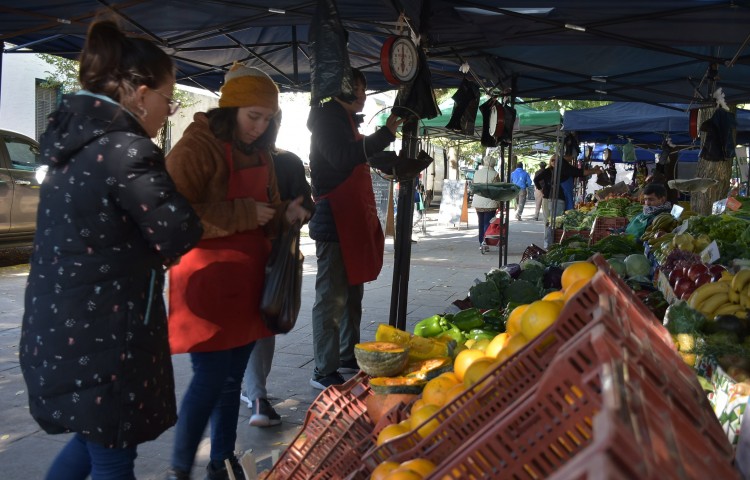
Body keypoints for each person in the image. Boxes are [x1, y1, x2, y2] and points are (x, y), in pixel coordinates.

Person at [19, 18, 203, 480]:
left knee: (93, 440)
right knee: (113, 453)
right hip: (106, 332)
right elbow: (180, 231)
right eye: (168, 97)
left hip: (62, 323)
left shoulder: (73, 142)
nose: (169, 110)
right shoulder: (126, 150)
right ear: (140, 94)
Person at [164, 63, 310, 479]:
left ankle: (221, 461)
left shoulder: (261, 151)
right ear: (231, 109)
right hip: (206, 284)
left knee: (231, 380)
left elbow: (268, 209)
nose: (260, 127)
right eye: (253, 116)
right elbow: (171, 214)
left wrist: (286, 213)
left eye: (268, 119)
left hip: (250, 285)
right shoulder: (196, 146)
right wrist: (244, 213)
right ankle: (179, 468)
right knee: (210, 378)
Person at [307, 68, 403, 390]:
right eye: (358, 89)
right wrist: (384, 134)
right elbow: (341, 158)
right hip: (334, 221)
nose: (363, 96)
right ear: (343, 89)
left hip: (352, 220)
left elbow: (356, 156)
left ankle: (347, 355)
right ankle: (323, 369)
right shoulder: (326, 119)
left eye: (363, 90)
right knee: (330, 298)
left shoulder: (346, 121)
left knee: (351, 294)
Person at [240, 114, 314, 427]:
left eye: (267, 119)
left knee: (259, 323)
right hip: (263, 256)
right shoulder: (281, 160)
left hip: (266, 256)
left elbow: (305, 207)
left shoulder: (282, 161)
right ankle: (255, 394)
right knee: (260, 323)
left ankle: (254, 391)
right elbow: (307, 207)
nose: (262, 126)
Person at [534, 155, 600, 247]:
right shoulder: (551, 170)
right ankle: (549, 243)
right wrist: (541, 189)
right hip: (551, 199)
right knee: (550, 222)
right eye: (552, 160)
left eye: (556, 160)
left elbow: (580, 172)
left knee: (554, 222)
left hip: (557, 199)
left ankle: (551, 243)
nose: (554, 162)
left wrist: (593, 170)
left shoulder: (564, 168)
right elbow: (536, 179)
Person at [471, 155, 501, 250]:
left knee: (480, 223)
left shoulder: (477, 173)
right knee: (488, 224)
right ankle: (485, 242)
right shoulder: (495, 174)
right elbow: (497, 189)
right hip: (490, 202)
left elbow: (473, 186)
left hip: (478, 202)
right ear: (493, 163)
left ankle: (481, 242)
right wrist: (500, 202)